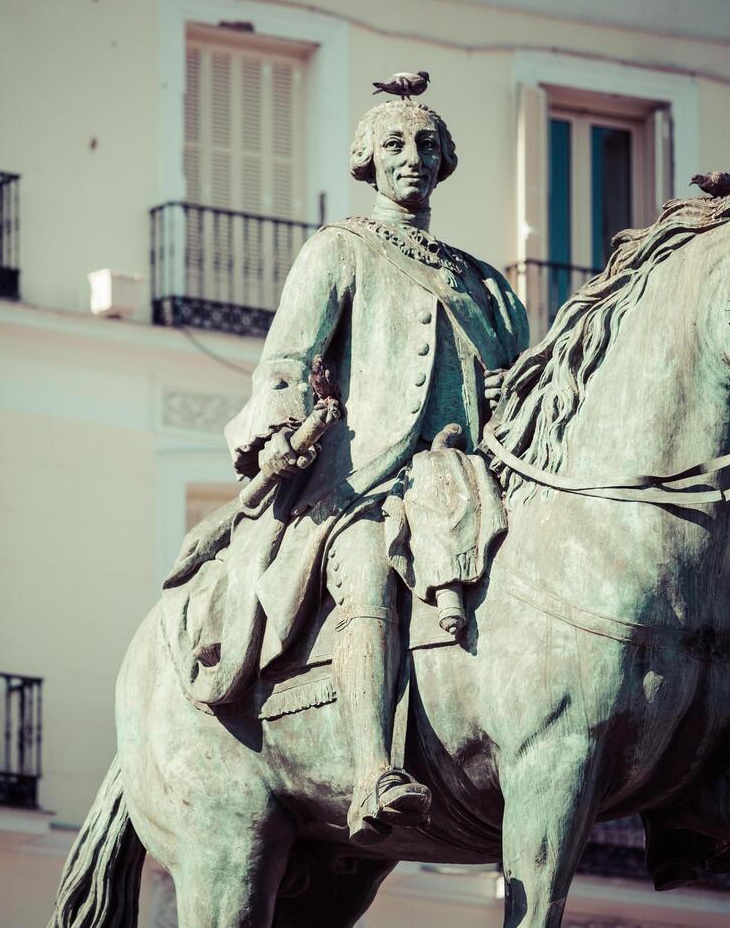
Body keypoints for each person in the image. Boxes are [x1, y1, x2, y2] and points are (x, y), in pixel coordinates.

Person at [219, 98, 530, 845]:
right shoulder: (340, 249)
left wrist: (508, 392)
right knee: (365, 574)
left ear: (443, 162)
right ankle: (372, 771)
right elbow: (287, 360)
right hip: (367, 485)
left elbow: (527, 388)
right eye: (394, 143)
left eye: (427, 143)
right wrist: (276, 429)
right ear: (367, 158)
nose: (412, 156)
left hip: (472, 483)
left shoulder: (483, 281)